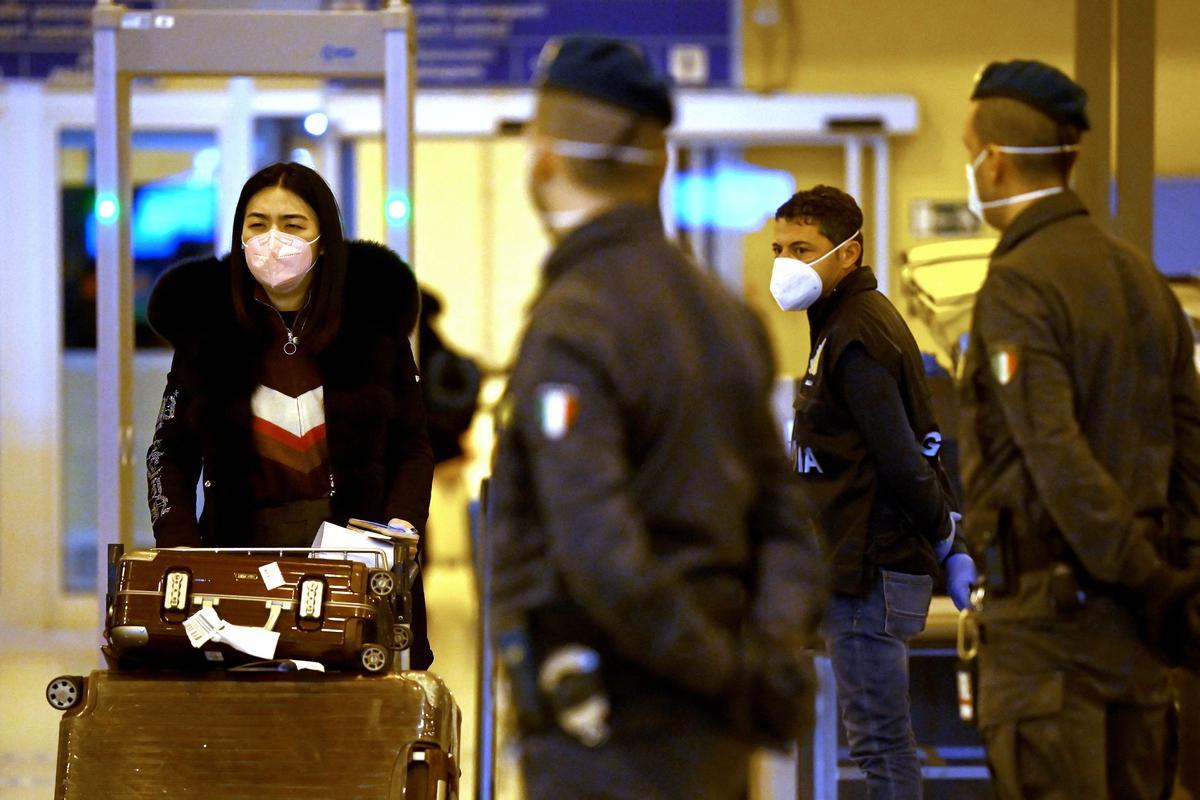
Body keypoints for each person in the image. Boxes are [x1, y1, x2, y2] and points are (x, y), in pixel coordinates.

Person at [488, 35, 827, 799]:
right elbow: (786, 525)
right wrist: (761, 663)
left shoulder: (575, 323)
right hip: (712, 741)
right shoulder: (726, 314)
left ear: (543, 158)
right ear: (662, 164)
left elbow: (599, 552)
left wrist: (720, 672)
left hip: (607, 740)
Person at [957, 59, 1200, 799]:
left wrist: (1145, 573)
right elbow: (1190, 442)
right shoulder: (1141, 277)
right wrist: (1177, 580)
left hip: (1051, 643)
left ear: (991, 161)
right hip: (1141, 642)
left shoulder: (1020, 282)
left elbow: (1054, 453)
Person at [145, 161, 435, 669]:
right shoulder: (207, 335)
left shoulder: (373, 329)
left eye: (293, 224)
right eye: (257, 224)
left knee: (354, 729)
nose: (273, 239)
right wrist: (180, 546)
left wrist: (399, 534)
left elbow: (412, 448)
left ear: (323, 238)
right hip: (239, 567)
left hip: (354, 565)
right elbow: (168, 452)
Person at [771, 185, 976, 799]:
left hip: (871, 573)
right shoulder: (841, 327)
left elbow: (905, 460)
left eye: (802, 248)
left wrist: (949, 542)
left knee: (881, 747)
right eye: (778, 248)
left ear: (847, 255)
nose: (785, 263)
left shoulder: (856, 338)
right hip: (856, 569)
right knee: (877, 743)